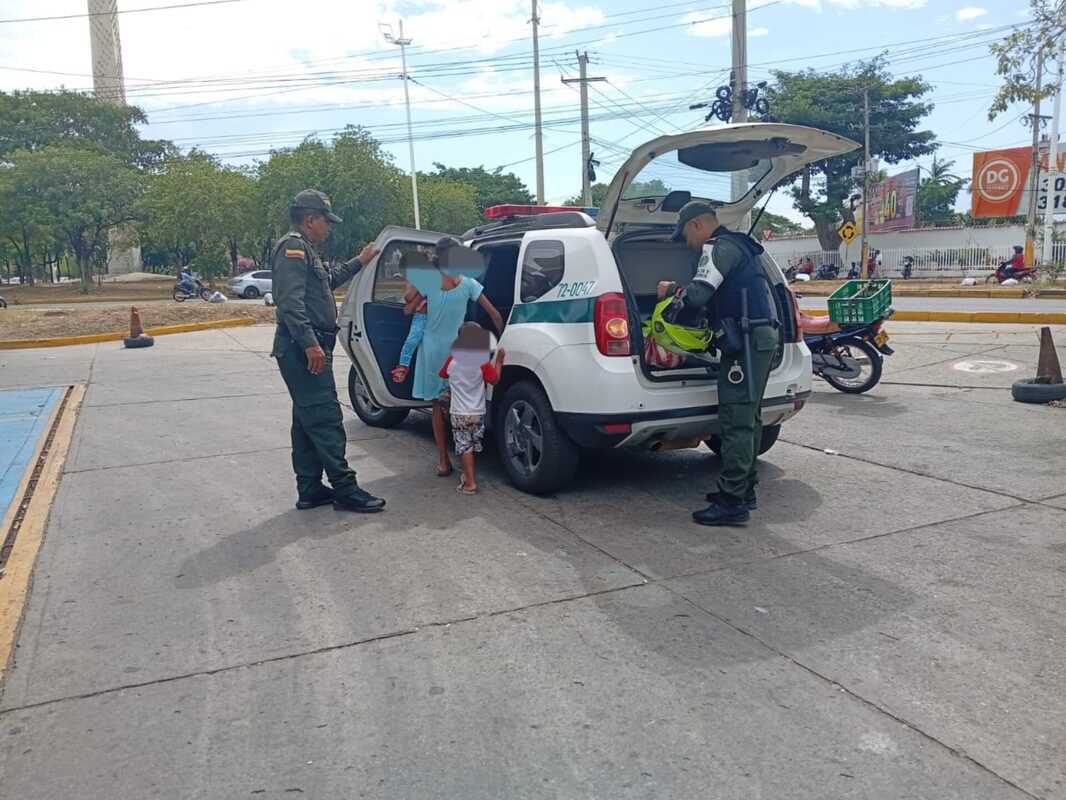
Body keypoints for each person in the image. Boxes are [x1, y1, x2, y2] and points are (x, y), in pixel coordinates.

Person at [660, 201, 780, 526]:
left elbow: (699, 295)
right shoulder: (740, 244)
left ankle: (732, 502)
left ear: (697, 225)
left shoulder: (717, 248)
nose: (687, 243)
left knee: (737, 419)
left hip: (747, 340)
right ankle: (743, 490)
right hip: (757, 337)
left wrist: (671, 293)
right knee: (749, 417)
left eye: (685, 234)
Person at [271, 189, 385, 513]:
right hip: (303, 347)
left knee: (306, 420)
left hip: (308, 345)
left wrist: (360, 262)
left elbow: (327, 281)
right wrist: (310, 344)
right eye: (326, 221)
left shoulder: (304, 250)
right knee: (325, 417)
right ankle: (345, 489)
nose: (329, 228)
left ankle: (309, 489)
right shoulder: (293, 248)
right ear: (311, 220)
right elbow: (291, 304)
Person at [411, 238, 504, 477]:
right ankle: (467, 461)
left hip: (432, 351)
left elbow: (408, 300)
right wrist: (501, 340)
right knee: (460, 404)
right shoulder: (469, 284)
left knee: (436, 406)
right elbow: (494, 315)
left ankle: (443, 461)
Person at [438, 323, 506, 494]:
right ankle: (466, 475)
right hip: (478, 413)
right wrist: (498, 361)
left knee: (464, 447)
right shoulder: (482, 362)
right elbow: (495, 380)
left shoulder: (451, 360)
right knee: (472, 445)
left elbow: (443, 374)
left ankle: (470, 482)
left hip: (459, 413)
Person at [390, 283, 428, 384]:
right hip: (424, 316)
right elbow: (408, 297)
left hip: (437, 317)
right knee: (411, 342)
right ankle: (403, 367)